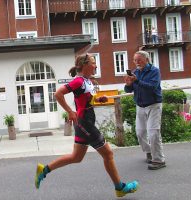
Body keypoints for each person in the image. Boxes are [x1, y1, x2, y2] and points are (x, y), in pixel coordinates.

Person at [35, 54, 139, 197]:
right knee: (108, 154)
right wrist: (70, 111)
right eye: (93, 63)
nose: (96, 66)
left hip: (85, 122)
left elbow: (85, 101)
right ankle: (120, 187)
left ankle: (44, 170)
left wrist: (98, 100)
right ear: (85, 65)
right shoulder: (78, 81)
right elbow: (58, 94)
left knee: (76, 157)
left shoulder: (87, 81)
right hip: (84, 123)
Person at [124, 51, 166, 170]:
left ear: (146, 59)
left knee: (153, 133)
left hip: (154, 105)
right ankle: (149, 152)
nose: (137, 62)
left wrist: (136, 81)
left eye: (139, 60)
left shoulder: (154, 71)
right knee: (140, 132)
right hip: (140, 106)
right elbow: (128, 90)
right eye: (135, 60)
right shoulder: (135, 72)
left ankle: (159, 160)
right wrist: (128, 84)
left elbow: (152, 87)